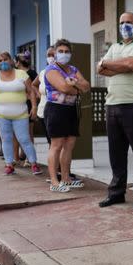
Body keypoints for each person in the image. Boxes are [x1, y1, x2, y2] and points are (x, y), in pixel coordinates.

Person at [96, 12, 133, 209]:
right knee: (116, 152)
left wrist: (112, 64)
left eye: (129, 22)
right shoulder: (115, 46)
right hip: (112, 105)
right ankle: (116, 193)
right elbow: (100, 70)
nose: (125, 25)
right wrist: (126, 66)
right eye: (121, 22)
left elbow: (131, 63)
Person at [0, 51, 42, 176]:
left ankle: (34, 164)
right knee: (6, 139)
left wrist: (35, 107)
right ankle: (9, 164)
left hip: (20, 114)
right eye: (0, 60)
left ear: (11, 60)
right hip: (0, 114)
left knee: (24, 139)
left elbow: (31, 92)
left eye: (5, 59)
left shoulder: (22, 74)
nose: (3, 62)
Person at [43, 39, 90, 192]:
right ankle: (54, 181)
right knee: (56, 145)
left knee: (69, 145)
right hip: (56, 109)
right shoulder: (51, 70)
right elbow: (63, 87)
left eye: (66, 51)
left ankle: (66, 178)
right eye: (60, 51)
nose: (64, 54)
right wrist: (75, 85)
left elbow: (86, 86)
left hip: (71, 110)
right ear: (55, 53)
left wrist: (73, 83)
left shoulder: (73, 69)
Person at [13, 52, 38, 165]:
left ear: (18, 62)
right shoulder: (16, 74)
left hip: (27, 105)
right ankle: (18, 156)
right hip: (16, 105)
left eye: (15, 61)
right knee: (16, 132)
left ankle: (29, 158)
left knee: (28, 132)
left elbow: (35, 92)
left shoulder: (32, 73)